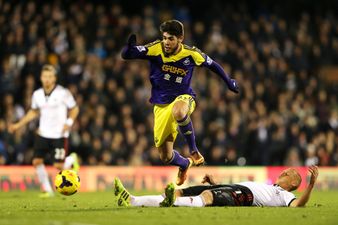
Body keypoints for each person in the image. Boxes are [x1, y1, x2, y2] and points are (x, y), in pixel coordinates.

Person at [121, 20, 239, 185]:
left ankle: (194, 151)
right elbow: (127, 55)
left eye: (171, 39)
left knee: (179, 111)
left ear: (180, 38)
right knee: (165, 157)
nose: (166, 42)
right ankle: (185, 164)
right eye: (164, 38)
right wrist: (129, 47)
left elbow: (213, 65)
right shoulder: (156, 48)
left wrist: (229, 82)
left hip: (184, 97)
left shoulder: (191, 53)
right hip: (161, 106)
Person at [8, 64, 80, 197]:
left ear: (54, 78)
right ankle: (47, 190)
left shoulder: (63, 93)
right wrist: (18, 125)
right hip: (43, 133)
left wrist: (69, 122)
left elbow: (75, 109)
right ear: (41, 78)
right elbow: (33, 112)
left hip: (59, 134)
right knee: (36, 161)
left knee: (58, 165)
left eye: (50, 76)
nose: (47, 79)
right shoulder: (37, 95)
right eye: (45, 76)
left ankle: (70, 160)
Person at [114, 166, 318, 207]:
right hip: (234, 188)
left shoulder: (284, 196)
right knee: (182, 191)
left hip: (245, 196)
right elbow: (233, 187)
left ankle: (173, 202)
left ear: (294, 183)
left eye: (291, 173)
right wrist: (216, 184)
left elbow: (298, 205)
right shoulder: (270, 185)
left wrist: (310, 186)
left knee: (207, 197)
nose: (286, 171)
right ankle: (132, 200)